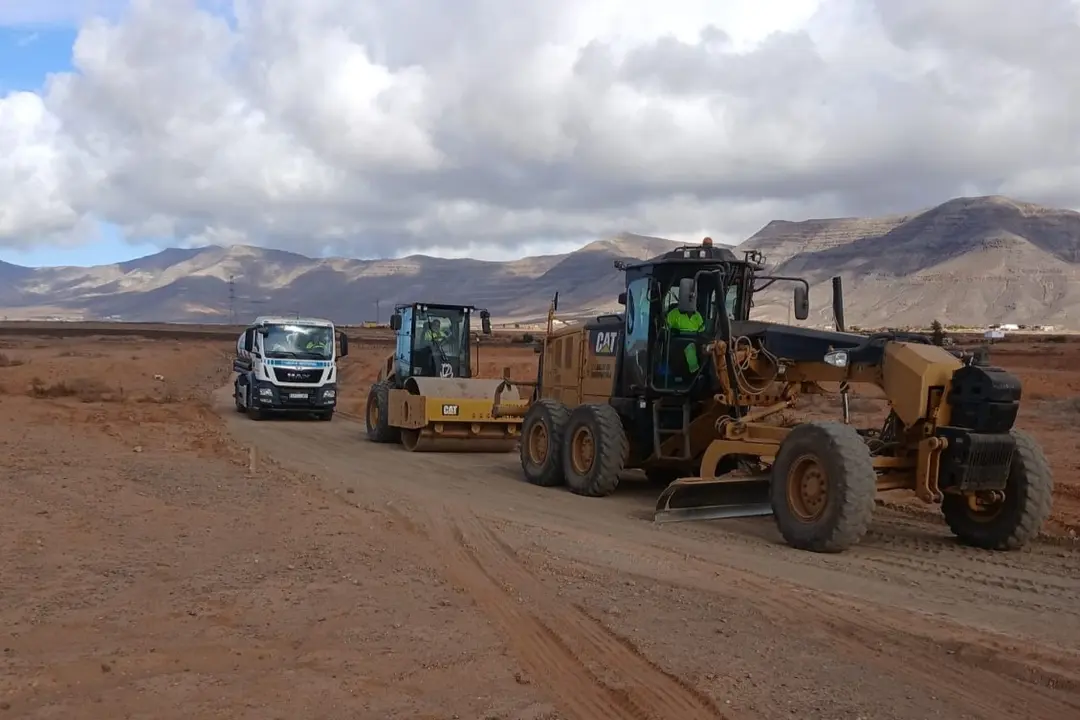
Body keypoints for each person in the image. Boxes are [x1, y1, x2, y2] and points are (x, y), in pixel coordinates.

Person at [665, 301, 705, 373]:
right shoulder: (674, 313)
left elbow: (702, 331)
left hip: (694, 342)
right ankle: (693, 372)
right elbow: (665, 328)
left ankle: (695, 373)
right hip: (676, 343)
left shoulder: (697, 315)